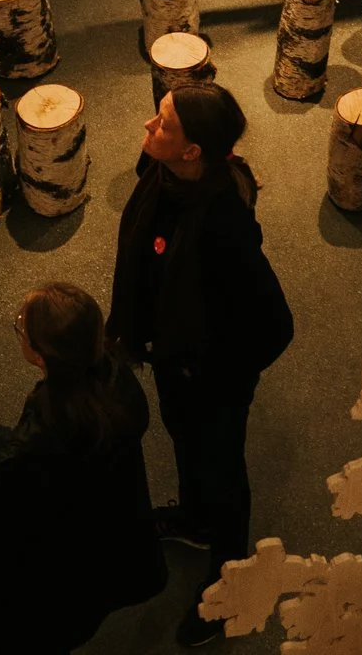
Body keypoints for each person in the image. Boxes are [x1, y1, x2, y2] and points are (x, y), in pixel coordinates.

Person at [107, 83, 294, 646]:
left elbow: (275, 327)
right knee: (185, 441)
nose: (147, 128)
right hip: (171, 356)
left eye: (162, 125)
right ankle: (194, 518)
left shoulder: (224, 228)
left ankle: (230, 574)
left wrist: (209, 374)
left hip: (211, 378)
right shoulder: (163, 174)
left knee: (223, 468)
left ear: (194, 152)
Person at [0, 282, 169, 655]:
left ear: (39, 355)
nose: (19, 328)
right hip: (109, 542)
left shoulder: (42, 436)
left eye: (21, 326)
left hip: (54, 574)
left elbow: (3, 510)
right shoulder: (119, 380)